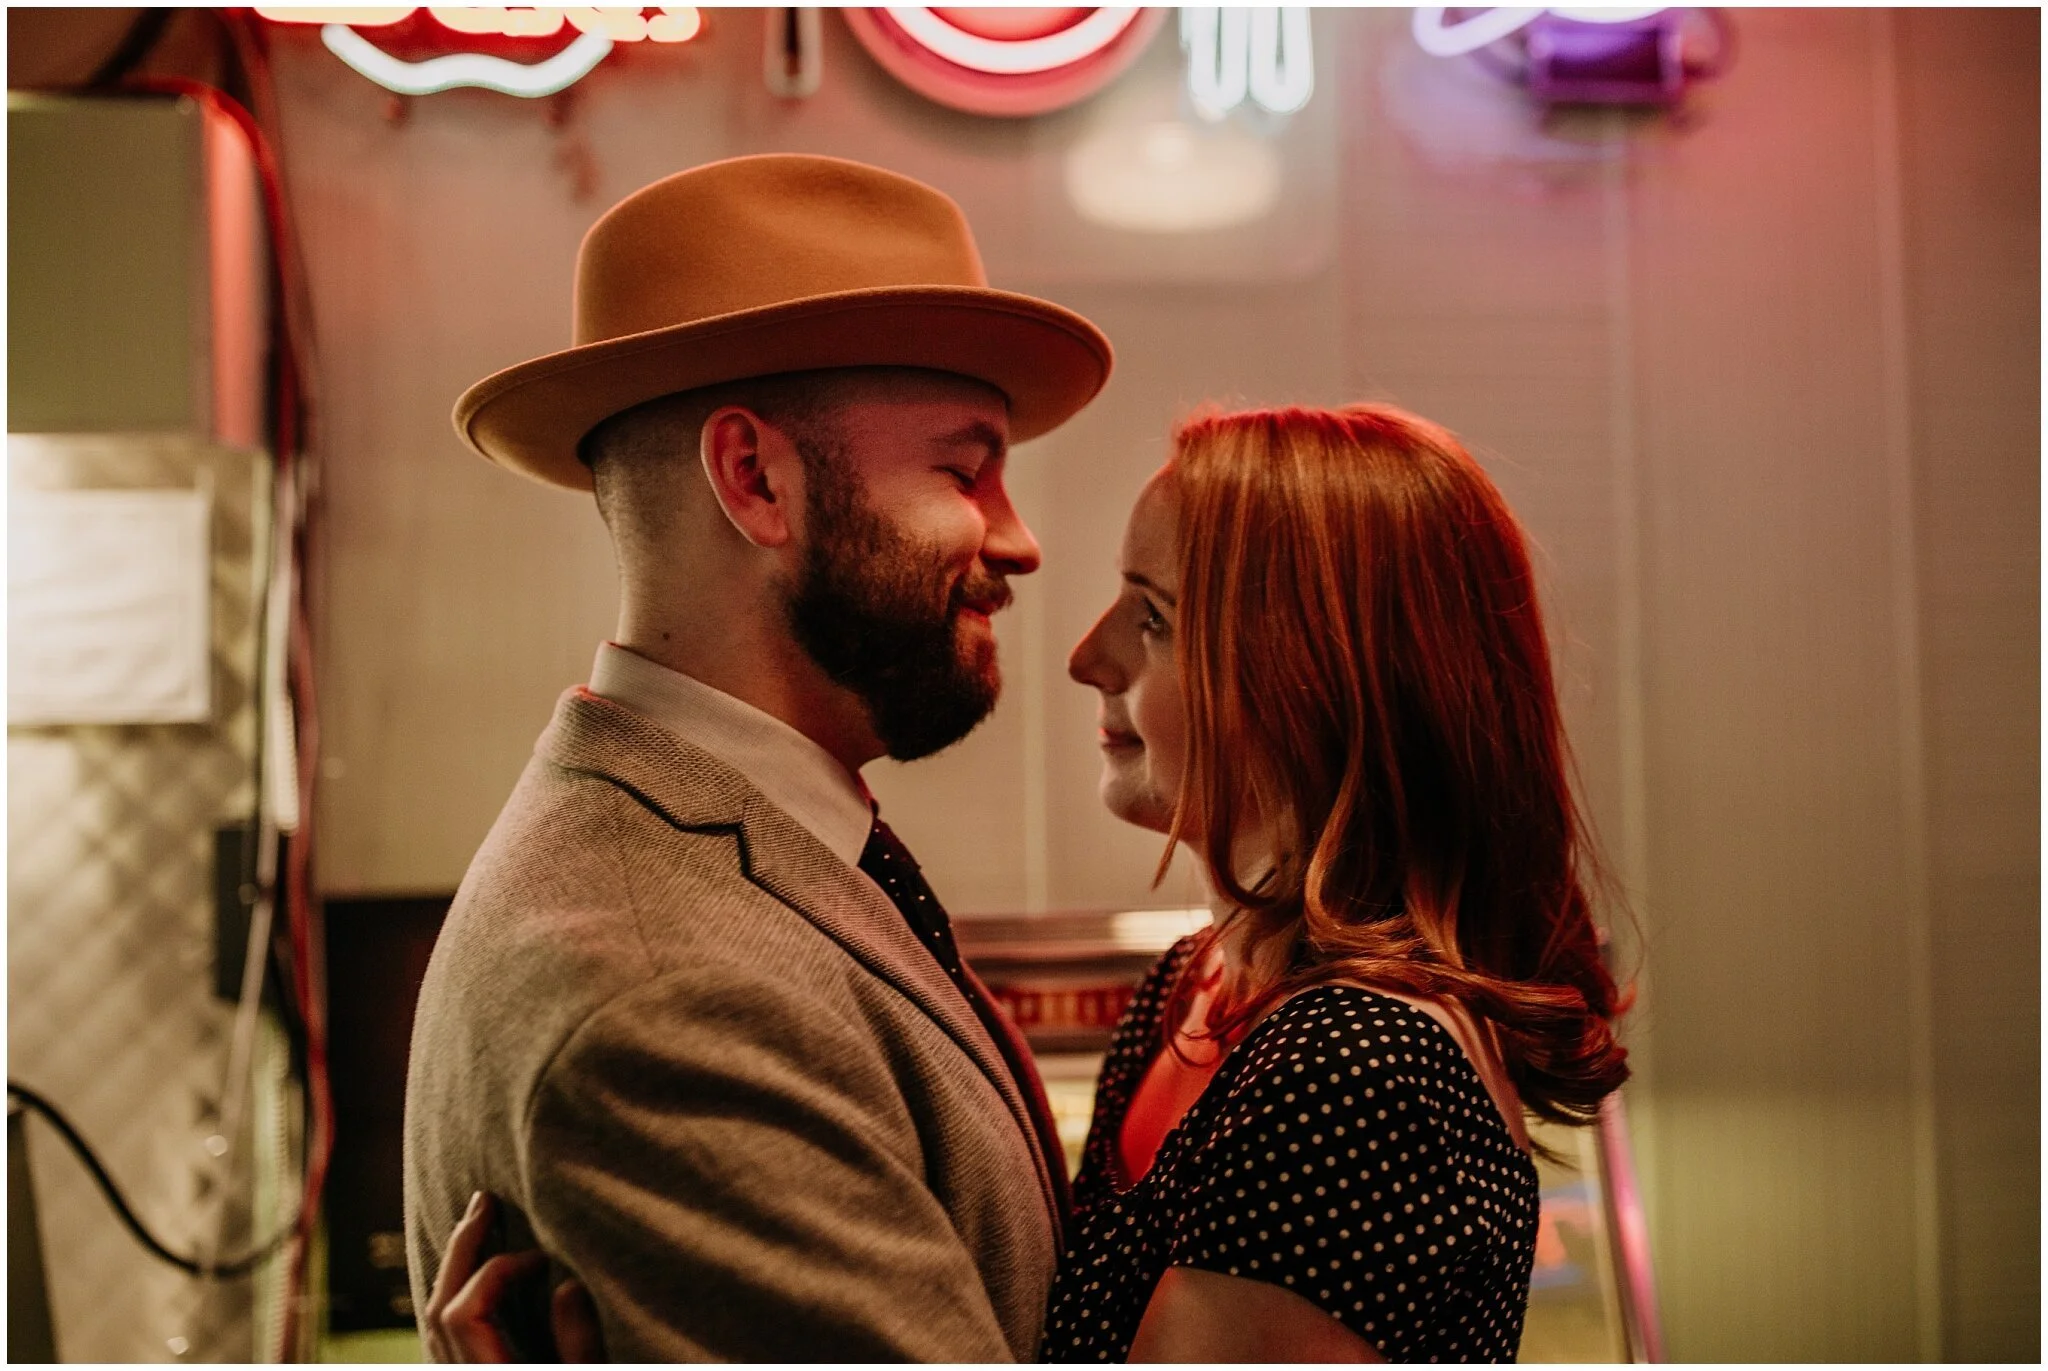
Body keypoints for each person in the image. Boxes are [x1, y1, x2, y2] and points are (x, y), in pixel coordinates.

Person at [426, 402, 1632, 1362]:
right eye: (962, 471)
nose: (1080, 651)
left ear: (1309, 680)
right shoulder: (1194, 989)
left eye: (1151, 620)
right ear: (749, 479)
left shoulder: (1355, 1069)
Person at [402, 153, 1113, 1362]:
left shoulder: (721, 853)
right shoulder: (667, 999)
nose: (1018, 538)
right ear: (754, 479)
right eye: (964, 467)